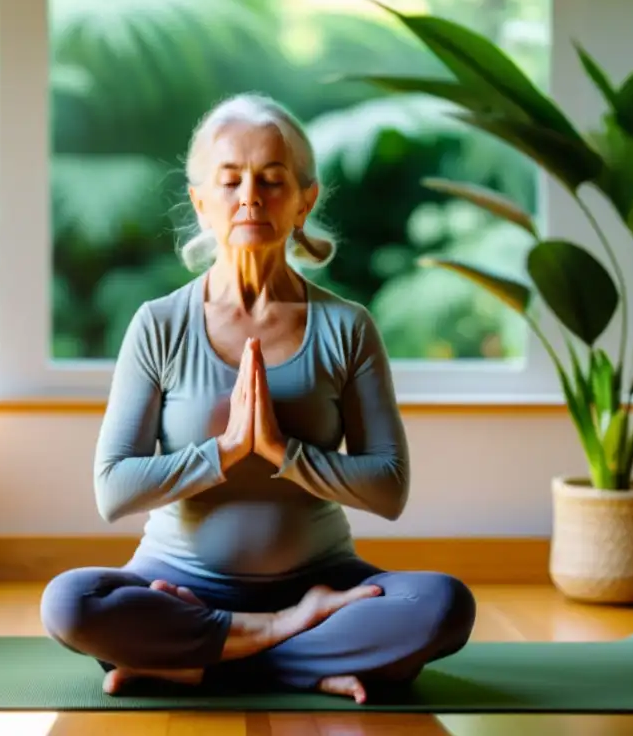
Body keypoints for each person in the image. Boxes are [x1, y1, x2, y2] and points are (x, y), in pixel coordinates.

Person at [40, 92, 476, 704]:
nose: (250, 196)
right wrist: (223, 451)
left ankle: (205, 656)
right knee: (71, 603)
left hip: (321, 583)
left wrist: (283, 452)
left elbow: (389, 486)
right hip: (175, 584)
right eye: (230, 181)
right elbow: (114, 489)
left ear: (304, 201)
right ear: (201, 203)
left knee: (443, 606)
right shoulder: (159, 324)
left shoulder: (346, 328)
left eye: (272, 181)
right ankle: (290, 647)